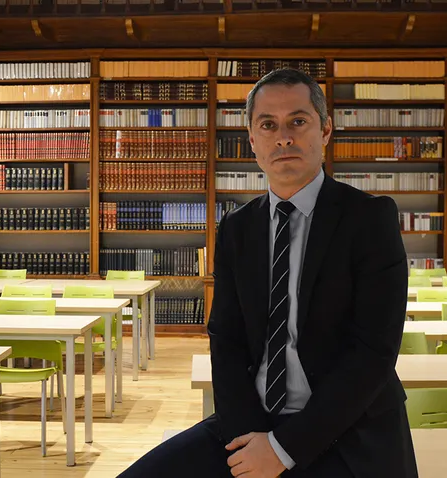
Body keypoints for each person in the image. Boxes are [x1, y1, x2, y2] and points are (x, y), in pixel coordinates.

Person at [118, 68, 417, 478]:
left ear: (326, 130)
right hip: (252, 422)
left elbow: (373, 355)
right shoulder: (237, 227)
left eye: (298, 121)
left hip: (346, 429)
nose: (283, 137)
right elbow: (227, 340)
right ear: (252, 140)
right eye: (268, 125)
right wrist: (250, 441)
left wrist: (282, 450)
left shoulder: (369, 219)